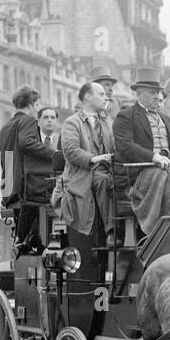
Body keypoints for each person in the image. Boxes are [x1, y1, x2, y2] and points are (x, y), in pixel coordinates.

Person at [111, 70, 170, 237]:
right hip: (140, 173)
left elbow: (169, 145)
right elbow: (126, 146)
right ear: (139, 94)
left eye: (158, 92)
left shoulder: (165, 118)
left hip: (165, 168)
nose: (156, 96)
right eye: (152, 92)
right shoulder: (126, 116)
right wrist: (153, 157)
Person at [0, 86, 55, 254]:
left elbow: (6, 156)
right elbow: (26, 142)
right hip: (26, 184)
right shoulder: (28, 121)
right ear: (31, 104)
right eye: (37, 105)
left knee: (24, 223)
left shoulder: (6, 127)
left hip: (10, 184)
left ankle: (21, 242)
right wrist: (54, 154)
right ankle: (23, 241)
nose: (37, 109)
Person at [55, 82, 115, 238]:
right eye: (101, 94)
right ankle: (112, 230)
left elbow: (117, 147)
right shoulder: (72, 122)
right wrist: (94, 158)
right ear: (88, 97)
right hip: (82, 174)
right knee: (103, 181)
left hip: (106, 171)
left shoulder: (107, 122)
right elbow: (70, 150)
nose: (106, 97)